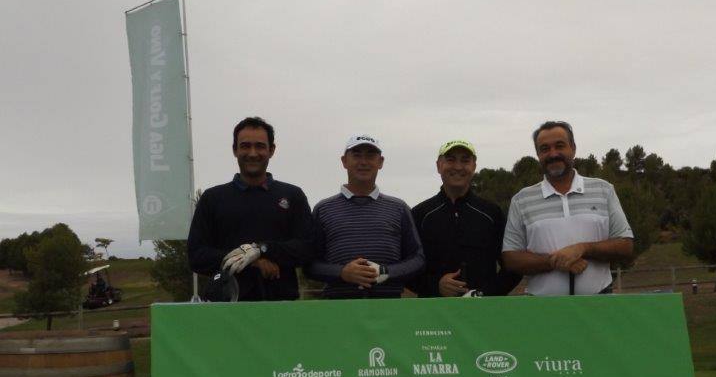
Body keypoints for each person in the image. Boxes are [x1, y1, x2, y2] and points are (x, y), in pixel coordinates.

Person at [188, 116, 314, 301]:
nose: (253, 153)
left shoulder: (293, 195)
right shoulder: (212, 198)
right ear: (235, 150)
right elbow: (197, 256)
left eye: (260, 146)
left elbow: (307, 249)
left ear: (272, 150)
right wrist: (250, 260)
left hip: (281, 308)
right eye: (245, 146)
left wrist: (262, 249)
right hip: (226, 308)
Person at [502, 121, 633, 295]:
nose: (553, 154)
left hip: (599, 304)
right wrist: (554, 261)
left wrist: (583, 249)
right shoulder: (522, 199)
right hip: (542, 309)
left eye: (560, 146)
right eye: (545, 149)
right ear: (538, 154)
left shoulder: (603, 190)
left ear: (573, 148)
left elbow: (625, 246)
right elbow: (511, 259)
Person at [307, 134, 424, 298]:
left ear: (380, 162)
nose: (363, 162)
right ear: (344, 161)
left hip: (389, 310)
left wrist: (385, 272)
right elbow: (310, 264)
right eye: (356, 155)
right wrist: (342, 272)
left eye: (370, 155)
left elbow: (417, 259)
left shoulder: (399, 208)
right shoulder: (323, 209)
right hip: (338, 309)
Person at [410, 139, 520, 297]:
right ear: (439, 165)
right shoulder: (421, 214)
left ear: (474, 166)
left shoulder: (491, 213)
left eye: (465, 160)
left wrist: (484, 294)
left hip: (483, 313)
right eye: (450, 160)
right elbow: (407, 268)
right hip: (433, 313)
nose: (458, 167)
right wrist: (436, 287)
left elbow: (512, 267)